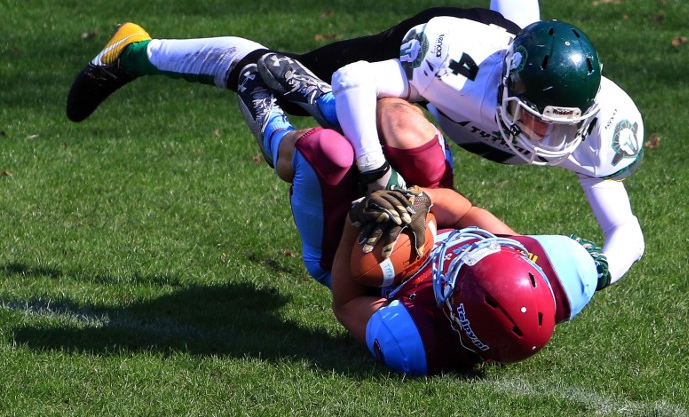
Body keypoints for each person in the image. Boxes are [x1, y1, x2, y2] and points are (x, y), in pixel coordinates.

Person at [65, 0, 644, 286]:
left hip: (503, 47)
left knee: (517, 24)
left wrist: (591, 276)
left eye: (560, 122)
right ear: (505, 93)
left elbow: (625, 233)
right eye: (536, 116)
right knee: (280, 70)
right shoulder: (451, 64)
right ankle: (133, 50)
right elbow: (355, 78)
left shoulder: (594, 124)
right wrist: (373, 169)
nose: (546, 135)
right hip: (431, 52)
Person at [233, 62, 609, 374]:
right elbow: (464, 212)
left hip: (349, 258)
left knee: (328, 153)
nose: (456, 255)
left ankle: (272, 131)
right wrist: (419, 199)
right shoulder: (543, 273)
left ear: (454, 309)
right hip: (425, 216)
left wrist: (358, 216)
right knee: (404, 125)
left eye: (459, 270)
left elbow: (346, 303)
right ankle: (323, 99)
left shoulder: (416, 338)